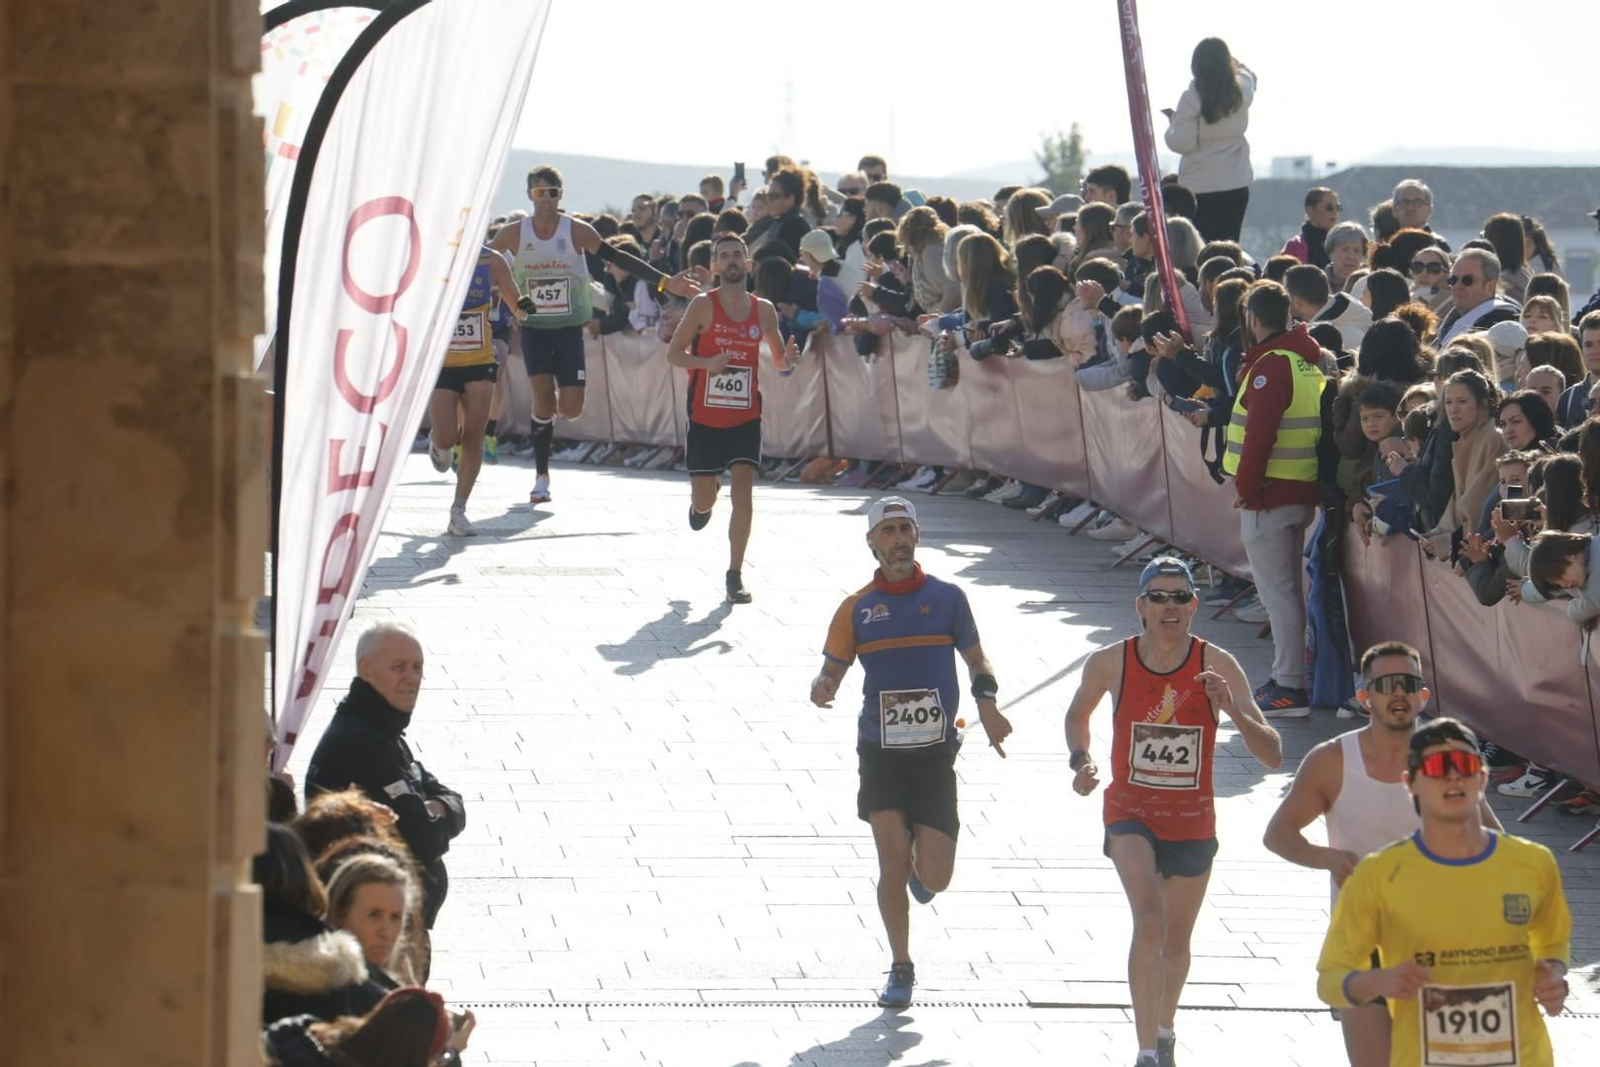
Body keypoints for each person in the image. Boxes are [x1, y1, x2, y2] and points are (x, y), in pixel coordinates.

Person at [1065, 557, 1282, 1067]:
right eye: (1158, 597)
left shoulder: (1218, 664)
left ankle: (1164, 1029)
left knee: (1177, 942)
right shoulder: (1110, 661)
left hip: (1192, 822)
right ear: (1139, 607)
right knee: (1149, 920)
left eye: (1179, 598)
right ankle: (1144, 1051)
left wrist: (1230, 707)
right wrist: (1082, 759)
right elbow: (1078, 713)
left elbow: (1272, 754)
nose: (1169, 607)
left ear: (1194, 607)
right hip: (1130, 813)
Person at [809, 497, 1014, 1011]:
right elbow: (833, 666)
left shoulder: (948, 598)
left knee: (936, 878)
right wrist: (824, 683)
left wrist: (987, 702)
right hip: (880, 751)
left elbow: (978, 656)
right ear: (872, 543)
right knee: (891, 862)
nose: (899, 539)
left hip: (934, 753)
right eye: (889, 531)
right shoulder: (855, 608)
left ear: (917, 537)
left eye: (906, 529)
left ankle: (926, 868)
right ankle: (901, 964)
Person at [1264, 642, 1504, 1067]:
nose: (1399, 693)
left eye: (1409, 684)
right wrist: (1329, 858)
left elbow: (1495, 845)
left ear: (1423, 697)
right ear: (1364, 696)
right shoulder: (1332, 761)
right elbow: (1278, 834)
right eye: (1386, 685)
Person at [1316, 718, 1572, 1067]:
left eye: (1465, 765)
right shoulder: (1377, 874)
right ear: (1411, 783)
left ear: (1481, 778)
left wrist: (1554, 977)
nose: (1454, 777)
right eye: (1438, 767)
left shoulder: (1533, 863)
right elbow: (1330, 980)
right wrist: (1377, 980)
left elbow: (1553, 944)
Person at [491, 165, 699, 504]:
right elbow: (485, 261)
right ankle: (541, 476)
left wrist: (664, 281)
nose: (546, 200)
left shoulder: (576, 231)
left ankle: (545, 420)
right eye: (540, 193)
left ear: (561, 195)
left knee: (570, 408)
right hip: (534, 329)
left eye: (553, 193)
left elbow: (619, 258)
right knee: (543, 398)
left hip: (569, 328)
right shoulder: (514, 234)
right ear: (529, 195)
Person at [665, 234, 799, 605]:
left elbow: (779, 362)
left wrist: (789, 358)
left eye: (737, 254)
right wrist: (706, 364)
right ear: (714, 266)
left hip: (746, 416)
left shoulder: (764, 310)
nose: (731, 261)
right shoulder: (702, 307)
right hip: (705, 416)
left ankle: (735, 574)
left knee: (745, 494)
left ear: (749, 263)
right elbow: (674, 355)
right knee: (705, 498)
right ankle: (702, 502)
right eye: (724, 256)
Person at [305, 624, 466, 929]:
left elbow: (449, 797)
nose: (412, 677)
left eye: (418, 667)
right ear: (365, 669)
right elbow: (426, 839)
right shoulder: (364, 743)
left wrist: (438, 806)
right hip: (374, 928)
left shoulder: (380, 732)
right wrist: (430, 808)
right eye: (399, 667)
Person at [1223, 281, 1328, 714]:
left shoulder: (1271, 366)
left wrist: (1247, 491)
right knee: (1286, 592)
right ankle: (1291, 678)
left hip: (1270, 495)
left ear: (1251, 318)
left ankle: (1289, 684)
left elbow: (1259, 437)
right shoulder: (1306, 361)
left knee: (1278, 594)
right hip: (1299, 489)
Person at [427, 245, 523, 536]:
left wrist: (525, 309)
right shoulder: (433, 255)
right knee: (448, 436)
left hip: (480, 359)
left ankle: (459, 509)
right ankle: (438, 441)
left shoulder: (492, 260)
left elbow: (515, 299)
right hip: (443, 362)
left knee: (473, 437)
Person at [1162, 37, 1255, 241]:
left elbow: (1182, 143)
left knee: (1202, 248)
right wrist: (1236, 65)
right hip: (1236, 181)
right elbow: (1249, 77)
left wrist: (1173, 125)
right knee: (1229, 246)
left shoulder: (1192, 96)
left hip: (1200, 184)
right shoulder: (1241, 91)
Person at [1434, 249, 1519, 348]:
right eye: (1453, 280)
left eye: (1468, 280)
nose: (1458, 286)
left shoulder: (1501, 325)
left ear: (1490, 286)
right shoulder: (1453, 322)